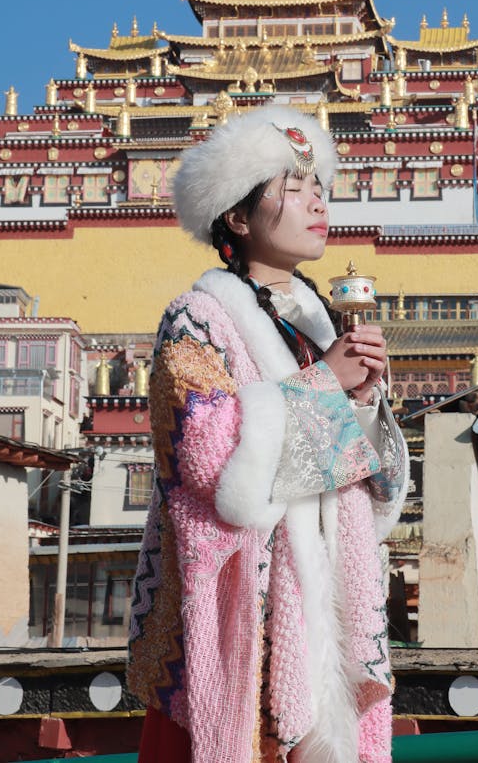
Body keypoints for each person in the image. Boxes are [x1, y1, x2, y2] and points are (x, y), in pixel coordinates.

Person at [128, 105, 408, 763]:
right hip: (243, 615)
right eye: (293, 186)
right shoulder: (197, 319)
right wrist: (324, 388)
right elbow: (207, 458)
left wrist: (365, 402)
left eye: (321, 187)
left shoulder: (321, 325)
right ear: (236, 214)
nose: (318, 201)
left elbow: (371, 489)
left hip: (328, 607)